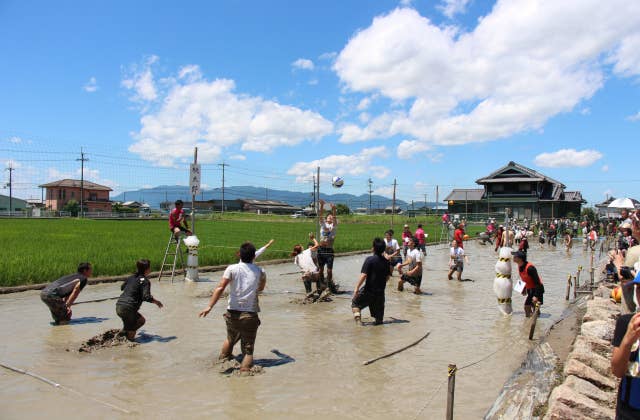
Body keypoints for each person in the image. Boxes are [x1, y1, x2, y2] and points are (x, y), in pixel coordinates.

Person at [199, 242, 267, 373]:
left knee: (230, 339)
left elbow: (220, 287)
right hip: (249, 314)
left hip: (232, 312)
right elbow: (261, 288)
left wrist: (209, 306)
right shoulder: (260, 271)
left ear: (239, 254)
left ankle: (223, 359)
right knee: (248, 349)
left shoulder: (231, 268)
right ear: (254, 256)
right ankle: (245, 373)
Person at [611, 274, 640, 419]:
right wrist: (628, 339)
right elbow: (617, 371)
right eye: (639, 289)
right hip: (628, 410)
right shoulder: (625, 323)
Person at [116, 259, 163, 341]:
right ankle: (129, 345)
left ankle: (122, 336)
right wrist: (157, 302)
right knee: (140, 322)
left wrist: (133, 288)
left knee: (130, 325)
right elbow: (146, 297)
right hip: (129, 308)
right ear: (147, 269)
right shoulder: (145, 281)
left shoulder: (131, 277)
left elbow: (122, 287)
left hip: (119, 306)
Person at [352, 238, 391, 326]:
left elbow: (364, 275)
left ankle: (358, 323)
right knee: (379, 321)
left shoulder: (369, 260)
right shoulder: (386, 262)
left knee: (355, 304)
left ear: (373, 248)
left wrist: (356, 288)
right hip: (380, 293)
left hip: (368, 290)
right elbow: (388, 277)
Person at [512, 251, 544, 317]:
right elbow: (524, 278)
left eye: (515, 256)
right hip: (530, 289)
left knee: (530, 307)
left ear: (520, 259)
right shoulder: (520, 266)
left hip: (537, 289)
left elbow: (537, 282)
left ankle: (534, 323)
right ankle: (532, 322)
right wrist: (523, 289)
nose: (513, 257)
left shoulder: (530, 268)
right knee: (530, 308)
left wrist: (536, 296)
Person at [318, 199, 339, 293]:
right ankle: (322, 283)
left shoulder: (334, 226)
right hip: (321, 250)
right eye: (329, 216)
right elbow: (320, 216)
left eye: (331, 217)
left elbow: (335, 218)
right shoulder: (323, 224)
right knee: (321, 270)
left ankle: (329, 284)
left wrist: (334, 210)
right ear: (326, 219)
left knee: (329, 271)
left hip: (329, 250)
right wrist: (322, 206)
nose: (330, 217)